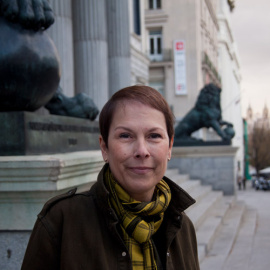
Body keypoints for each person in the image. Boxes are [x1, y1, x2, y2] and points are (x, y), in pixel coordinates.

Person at [21, 85, 200, 270]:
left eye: (154, 136)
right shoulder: (61, 221)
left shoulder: (183, 227)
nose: (141, 151)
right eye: (125, 136)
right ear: (104, 147)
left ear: (169, 147)